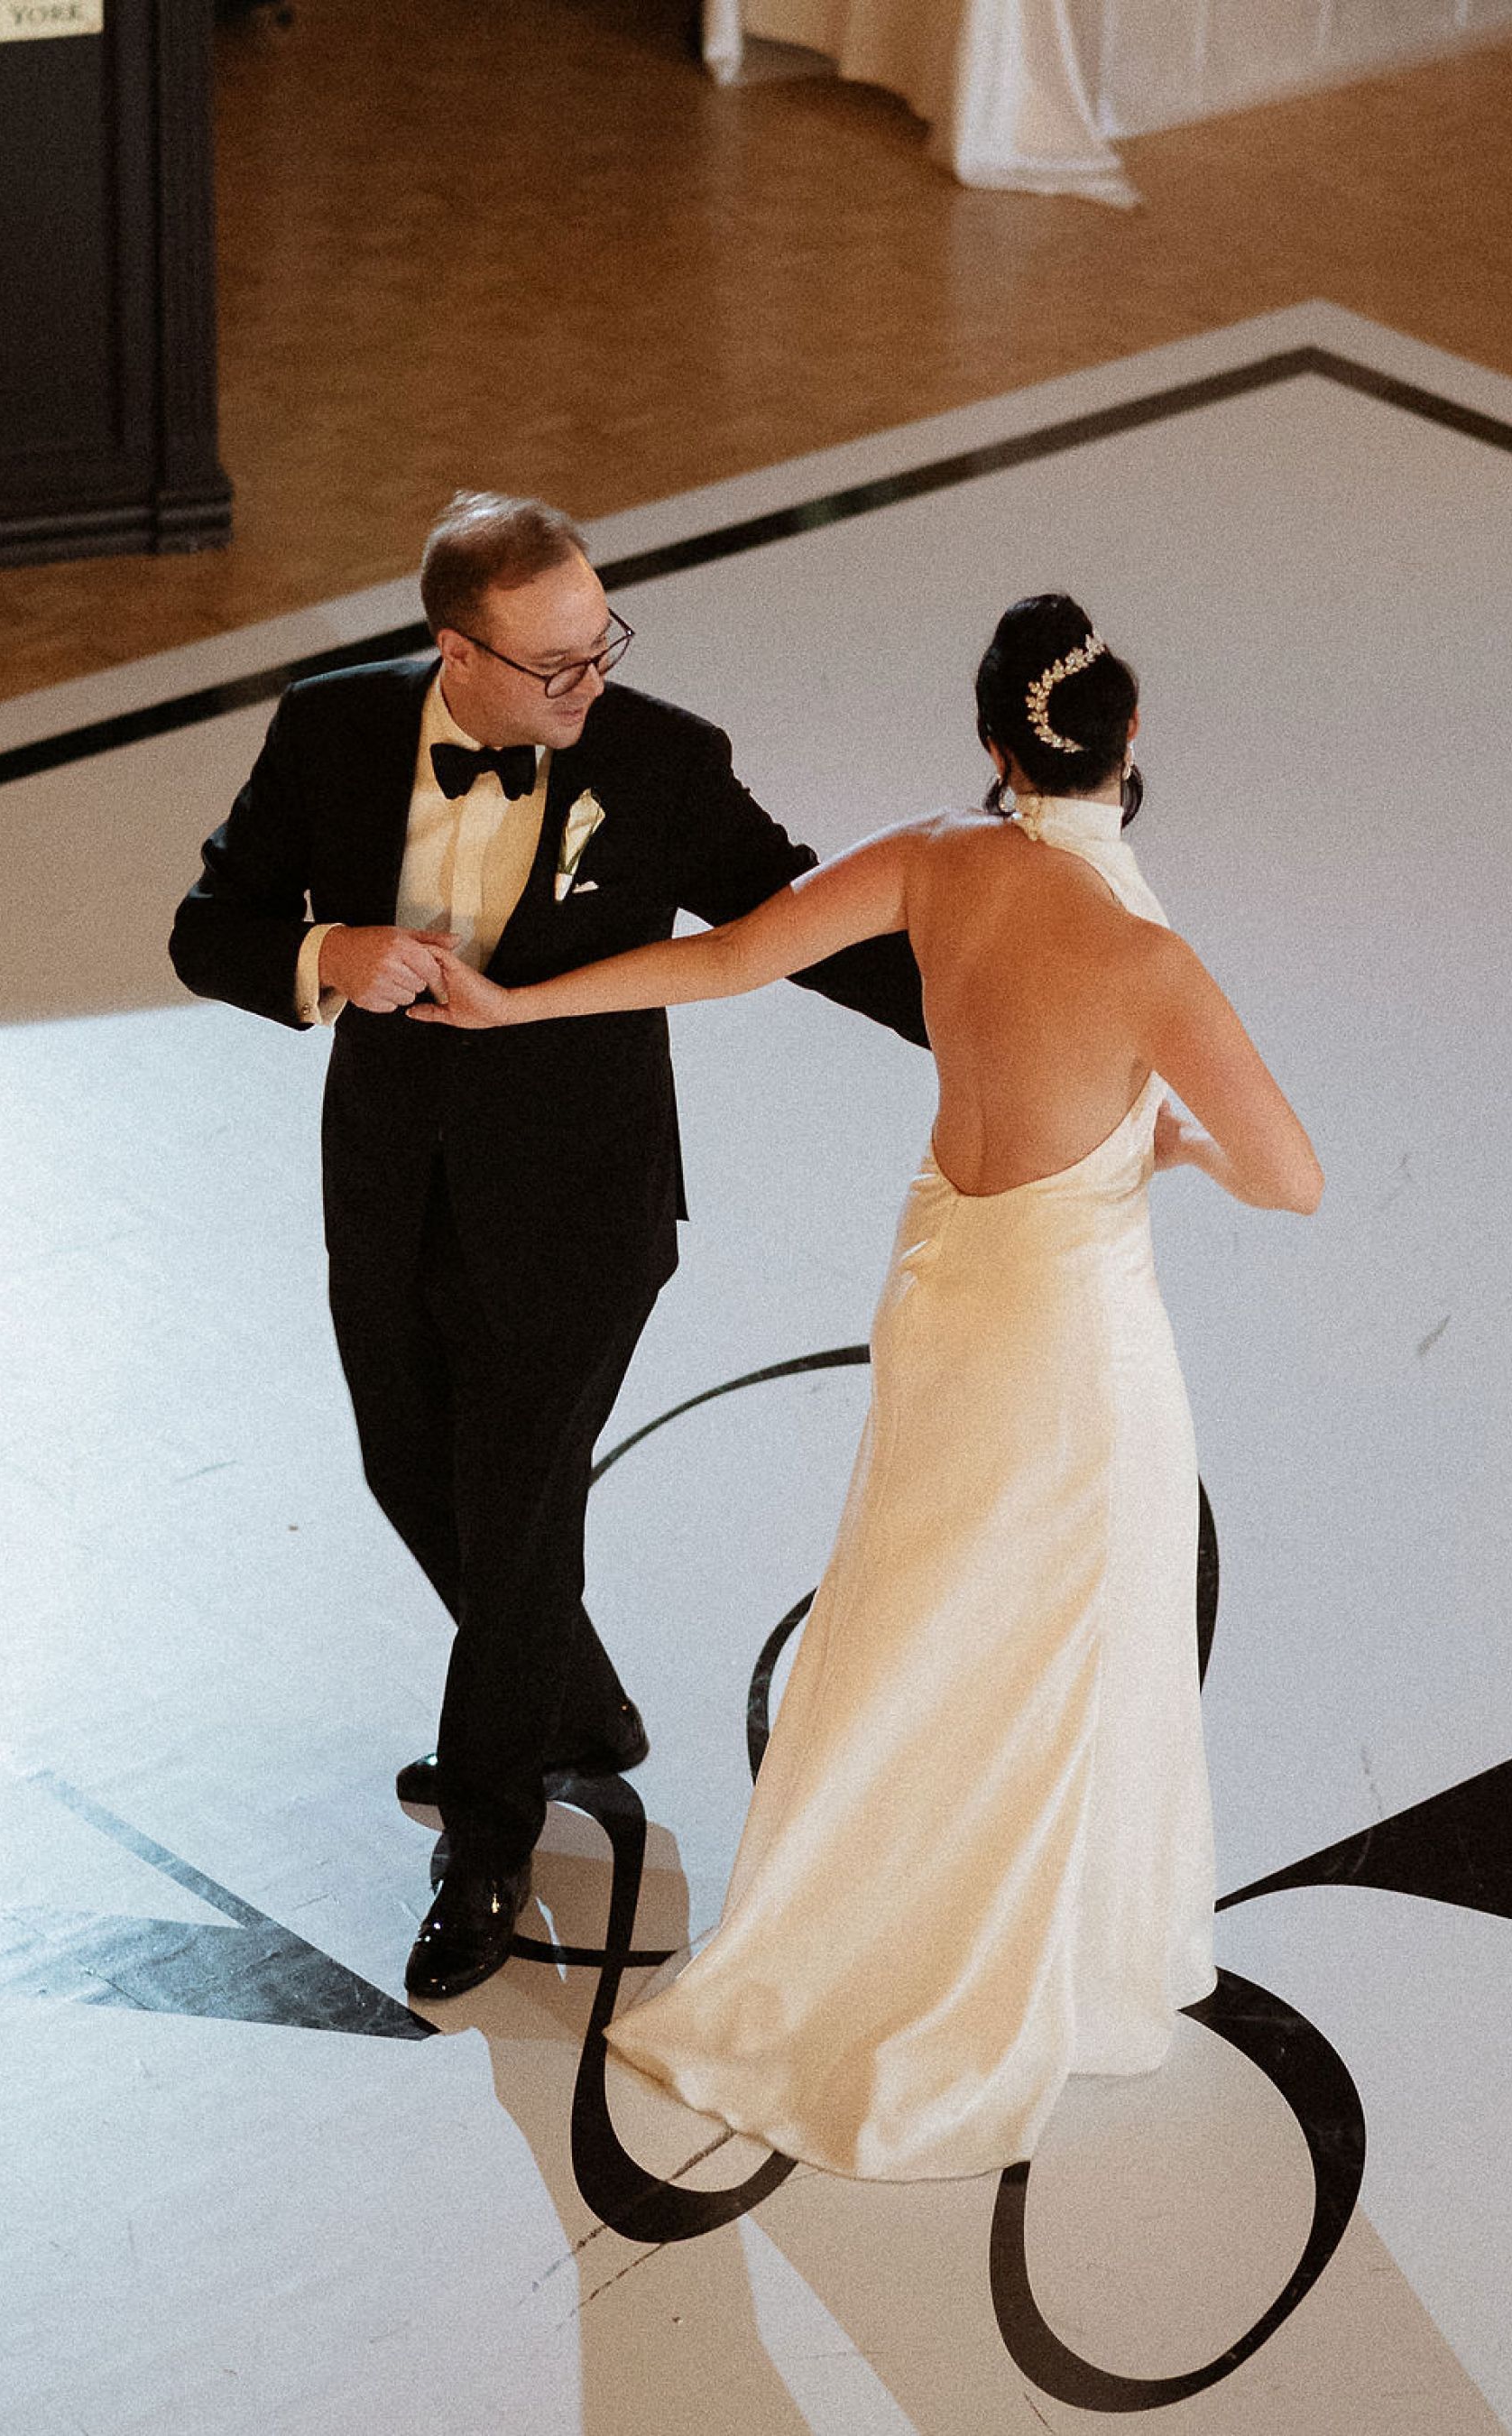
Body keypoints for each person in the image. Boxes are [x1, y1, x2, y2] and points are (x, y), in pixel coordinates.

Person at [406, 594, 1323, 2178]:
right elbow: (1293, 1178)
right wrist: (1167, 1141)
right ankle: (1029, 1963)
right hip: (1069, 1326)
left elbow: (730, 959)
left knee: (902, 1616)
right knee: (1057, 1646)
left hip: (940, 1290)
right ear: (1131, 745)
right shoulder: (1146, 955)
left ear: (991, 749)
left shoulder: (935, 861)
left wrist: (523, 1001)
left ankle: (840, 1929)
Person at [168, 492, 927, 2004]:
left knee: (516, 1509)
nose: (593, 684)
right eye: (556, 665)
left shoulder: (659, 757)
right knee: (410, 1468)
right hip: (391, 1182)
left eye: (601, 646)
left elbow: (794, 918)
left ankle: (491, 1836)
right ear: (458, 652)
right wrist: (328, 956)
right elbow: (210, 927)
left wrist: (995, 1016)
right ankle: (571, 1698)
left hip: (583, 1204)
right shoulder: (328, 733)